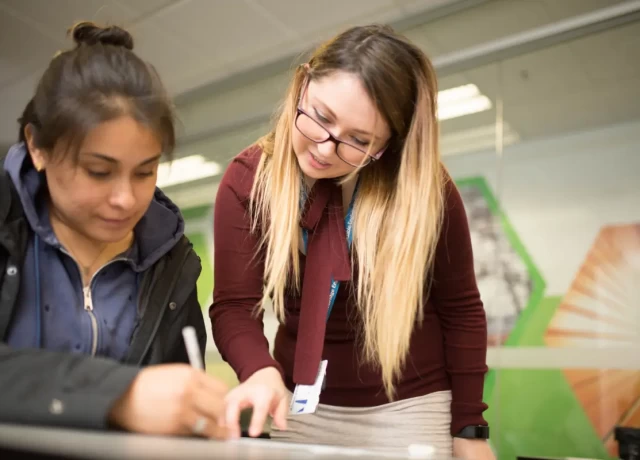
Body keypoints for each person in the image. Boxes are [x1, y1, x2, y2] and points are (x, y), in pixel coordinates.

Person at [210, 24, 494, 459]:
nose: (325, 149)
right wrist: (259, 371)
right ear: (302, 84)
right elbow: (233, 306)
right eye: (321, 117)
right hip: (299, 406)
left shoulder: (425, 192)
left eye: (358, 141)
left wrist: (470, 429)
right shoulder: (249, 180)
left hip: (411, 406)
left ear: (387, 147)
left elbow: (462, 310)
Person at [0, 21, 228, 439]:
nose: (126, 199)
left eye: (146, 172)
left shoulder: (172, 262)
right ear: (37, 147)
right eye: (99, 171)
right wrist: (117, 394)